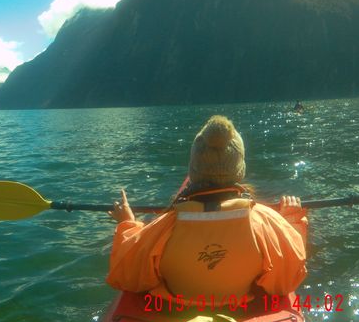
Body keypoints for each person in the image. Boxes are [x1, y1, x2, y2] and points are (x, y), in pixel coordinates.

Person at [106, 115, 307, 306]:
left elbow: (129, 275)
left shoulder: (167, 225)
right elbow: (288, 279)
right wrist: (291, 222)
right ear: (239, 168)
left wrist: (127, 224)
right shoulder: (263, 220)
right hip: (240, 305)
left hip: (177, 308)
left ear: (194, 169)